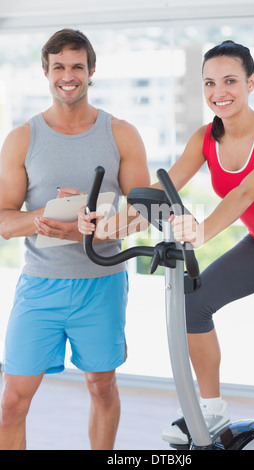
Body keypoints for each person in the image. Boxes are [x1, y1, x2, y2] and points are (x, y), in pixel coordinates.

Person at [79, 40, 254, 446]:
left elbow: (245, 194)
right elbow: (157, 190)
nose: (220, 92)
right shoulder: (204, 137)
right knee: (192, 303)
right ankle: (213, 408)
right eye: (210, 83)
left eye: (230, 80)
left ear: (252, 82)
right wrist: (104, 229)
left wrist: (202, 232)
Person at [0, 28, 150, 450]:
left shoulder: (121, 133)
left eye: (77, 66)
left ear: (91, 71)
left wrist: (93, 228)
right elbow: (4, 221)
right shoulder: (22, 139)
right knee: (11, 401)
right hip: (40, 287)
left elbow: (142, 216)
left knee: (102, 388)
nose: (69, 75)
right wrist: (46, 218)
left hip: (101, 285)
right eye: (59, 67)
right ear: (46, 72)